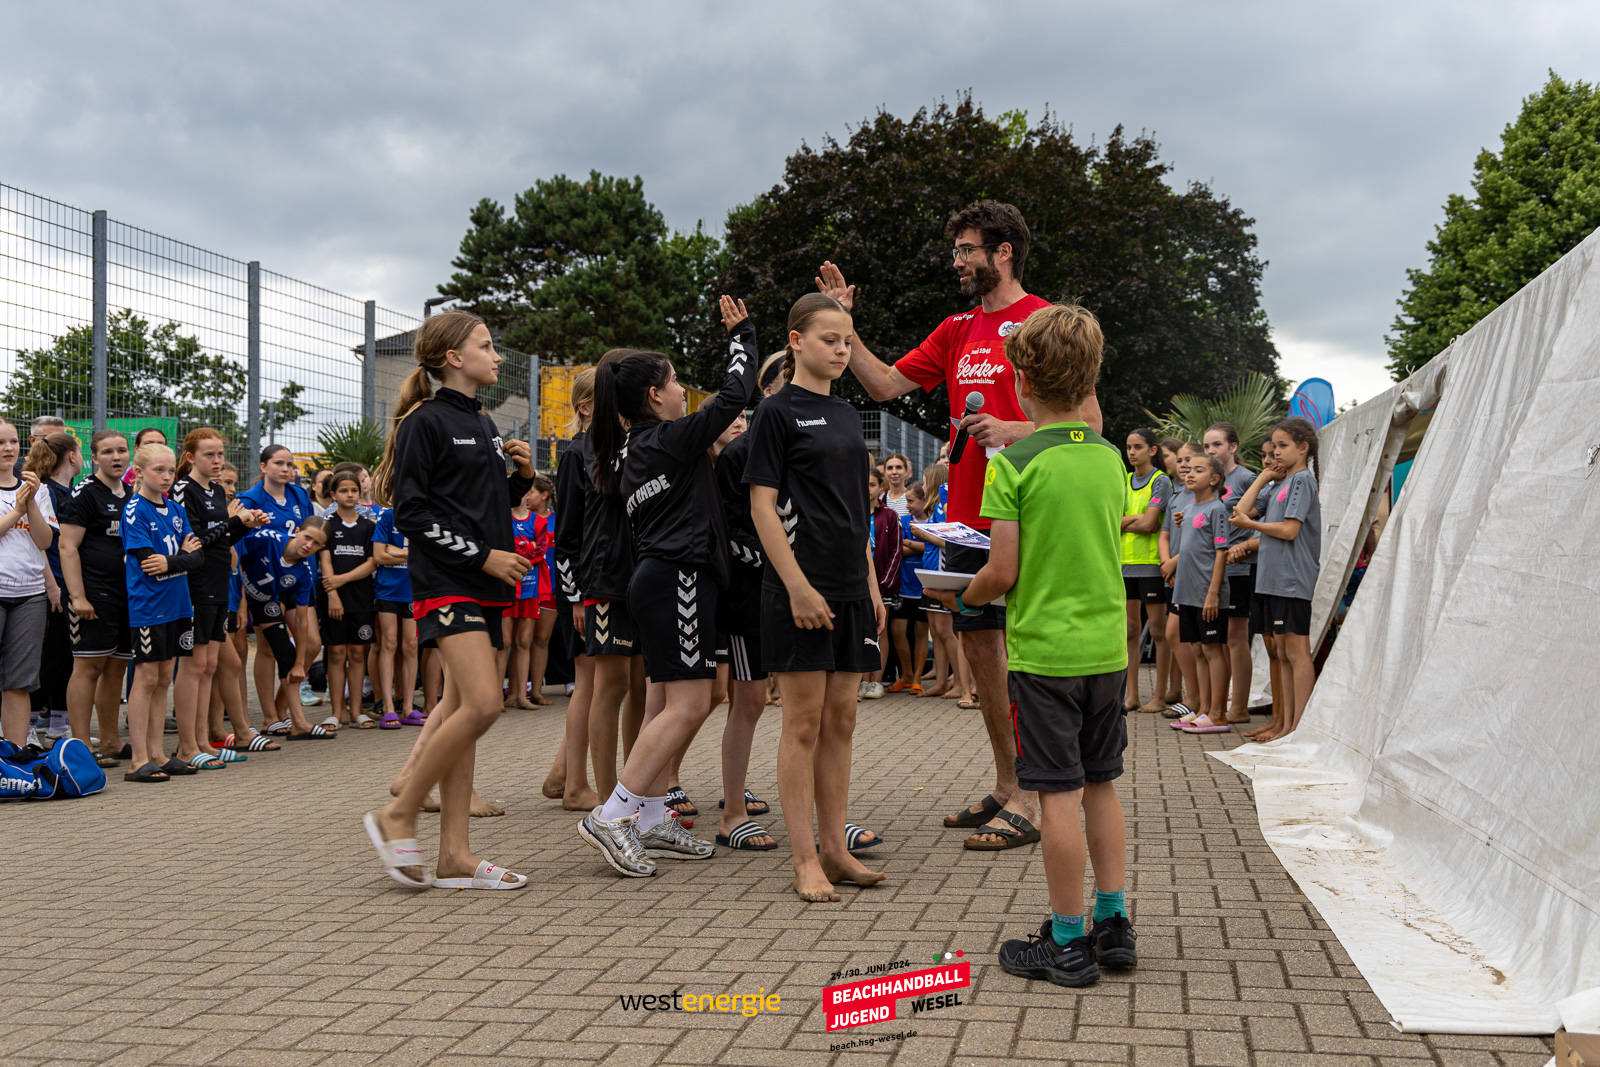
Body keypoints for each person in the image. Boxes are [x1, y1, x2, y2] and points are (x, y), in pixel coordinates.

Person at [818, 199, 1103, 850]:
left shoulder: (1047, 322)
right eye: (957, 251)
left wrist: (1015, 429)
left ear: (1004, 252)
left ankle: (1036, 794)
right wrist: (844, 325)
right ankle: (1009, 783)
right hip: (966, 523)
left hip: (1029, 514)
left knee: (1022, 655)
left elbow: (1090, 422)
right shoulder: (956, 329)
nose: (958, 261)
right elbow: (884, 385)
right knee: (981, 653)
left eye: (967, 249)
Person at [922, 303, 1134, 987]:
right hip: (1106, 649)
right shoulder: (1110, 460)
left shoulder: (1013, 462)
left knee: (1057, 794)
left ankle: (1068, 940)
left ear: (1020, 383)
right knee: (1101, 784)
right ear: (1090, 381)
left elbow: (1003, 569)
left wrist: (966, 597)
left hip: (1046, 653)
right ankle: (1114, 921)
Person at [576, 296, 757, 876]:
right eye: (676, 381)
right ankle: (613, 814)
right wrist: (742, 335)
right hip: (678, 578)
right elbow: (734, 395)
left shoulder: (631, 447)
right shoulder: (668, 439)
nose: (683, 391)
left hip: (660, 579)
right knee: (691, 702)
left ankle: (653, 816)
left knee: (661, 700)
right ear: (655, 396)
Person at [364, 310, 536, 891]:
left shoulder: (484, 422)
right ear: (454, 358)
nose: (497, 355)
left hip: (483, 585)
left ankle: (455, 855)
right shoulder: (425, 422)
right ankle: (399, 811)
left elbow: (475, 503)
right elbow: (411, 514)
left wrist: (519, 479)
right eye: (486, 346)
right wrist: (483, 557)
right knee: (484, 705)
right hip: (447, 582)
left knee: (465, 710)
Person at [745, 292, 887, 903]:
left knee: (842, 720)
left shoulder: (850, 414)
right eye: (830, 340)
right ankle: (805, 859)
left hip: (851, 587)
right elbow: (762, 507)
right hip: (799, 588)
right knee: (802, 723)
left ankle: (835, 847)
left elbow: (856, 507)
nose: (841, 350)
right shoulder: (775, 413)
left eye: (848, 341)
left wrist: (871, 584)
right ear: (796, 341)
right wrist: (797, 586)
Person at [711, 352, 787, 852]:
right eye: (789, 380)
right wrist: (776, 560)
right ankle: (732, 812)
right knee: (750, 700)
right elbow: (724, 529)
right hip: (750, 597)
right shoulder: (740, 452)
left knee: (812, 706)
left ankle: (828, 816)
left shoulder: (812, 441)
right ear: (767, 390)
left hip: (806, 593)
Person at [171, 429, 271, 769]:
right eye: (209, 455)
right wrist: (233, 520)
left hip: (218, 585)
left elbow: (223, 537)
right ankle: (187, 747)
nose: (217, 461)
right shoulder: (183, 489)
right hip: (195, 584)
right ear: (190, 458)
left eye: (220, 455)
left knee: (209, 666)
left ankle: (202, 741)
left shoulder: (215, 490)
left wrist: (245, 525)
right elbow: (194, 539)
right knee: (193, 665)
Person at [575, 351, 649, 804]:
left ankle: (632, 792)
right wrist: (573, 597)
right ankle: (605, 802)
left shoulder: (644, 438)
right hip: (606, 581)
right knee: (611, 685)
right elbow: (569, 535)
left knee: (642, 686)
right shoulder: (587, 448)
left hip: (645, 577)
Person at [1230, 417, 1321, 738]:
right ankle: (1283, 723)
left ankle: (1297, 729)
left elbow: (1289, 530)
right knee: (1280, 652)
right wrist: (1264, 476)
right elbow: (1241, 512)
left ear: (1303, 447)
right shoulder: (1279, 484)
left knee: (1295, 652)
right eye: (1274, 447)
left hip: (1291, 578)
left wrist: (1252, 527)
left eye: (1283, 446)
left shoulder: (1302, 481)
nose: (1276, 452)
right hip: (1271, 578)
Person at [120, 441, 203, 781]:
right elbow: (148, 564)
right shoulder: (135, 510)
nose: (167, 476)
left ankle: (157, 753)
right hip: (149, 605)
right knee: (147, 677)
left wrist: (173, 561)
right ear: (139, 473)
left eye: (171, 471)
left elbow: (198, 557)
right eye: (159, 470)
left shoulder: (176, 510)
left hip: (178, 603)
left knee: (165, 675)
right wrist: (180, 558)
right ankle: (138, 759)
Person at [59, 430, 133, 765]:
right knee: (88, 667)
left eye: (121, 451)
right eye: (107, 452)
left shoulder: (131, 494)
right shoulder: (85, 493)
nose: (116, 457)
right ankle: (80, 746)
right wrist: (78, 597)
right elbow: (67, 546)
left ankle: (110, 741)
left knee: (116, 668)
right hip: (94, 594)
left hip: (127, 594)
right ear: (94, 458)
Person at [548, 369, 600, 810]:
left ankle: (561, 772)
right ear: (584, 407)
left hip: (598, 585)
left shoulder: (606, 451)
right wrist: (576, 597)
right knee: (588, 684)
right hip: (582, 588)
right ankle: (576, 786)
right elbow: (565, 537)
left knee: (598, 684)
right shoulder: (575, 456)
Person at [237, 517, 331, 740]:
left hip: (264, 600)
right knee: (234, 659)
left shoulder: (304, 572)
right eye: (307, 537)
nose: (309, 545)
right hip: (235, 594)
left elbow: (301, 620)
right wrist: (241, 603)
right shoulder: (267, 540)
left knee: (285, 652)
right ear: (296, 531)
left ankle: (297, 723)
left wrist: (300, 663)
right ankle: (243, 724)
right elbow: (234, 552)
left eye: (316, 544)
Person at [0, 418, 58, 746]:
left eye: (13, 441)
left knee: (19, 682)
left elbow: (44, 540)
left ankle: (16, 752)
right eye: (0, 443)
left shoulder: (39, 489)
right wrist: (15, 511)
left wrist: (31, 501)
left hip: (30, 596)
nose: (8, 448)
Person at [25, 431, 80, 746]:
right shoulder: (47, 492)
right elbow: (43, 543)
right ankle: (28, 724)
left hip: (69, 584)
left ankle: (59, 723)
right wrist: (53, 585)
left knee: (67, 656)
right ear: (72, 456)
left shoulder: (69, 492)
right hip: (54, 585)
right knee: (52, 656)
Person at [1170, 454, 1232, 734]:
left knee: (1212, 649)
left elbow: (1221, 552)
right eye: (1188, 470)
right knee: (1197, 649)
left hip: (1207, 593)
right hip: (1187, 592)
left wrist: (1213, 593)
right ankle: (1204, 709)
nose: (1189, 473)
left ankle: (1218, 714)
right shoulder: (1189, 509)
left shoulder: (1217, 509)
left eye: (1199, 470)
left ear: (1214, 479)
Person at [1205, 422, 1257, 725]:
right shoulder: (1209, 481)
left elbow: (1258, 518)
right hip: (1215, 570)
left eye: (1217, 445)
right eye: (1206, 446)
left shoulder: (1246, 478)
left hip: (1239, 569)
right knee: (1221, 639)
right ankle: (1220, 704)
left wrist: (1246, 546)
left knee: (1236, 638)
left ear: (1233, 447)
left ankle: (1239, 707)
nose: (1210, 450)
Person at [319, 470, 379, 727]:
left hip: (361, 598)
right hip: (334, 600)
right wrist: (333, 594)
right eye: (343, 491)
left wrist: (342, 580)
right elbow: (325, 562)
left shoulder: (369, 526)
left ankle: (356, 710)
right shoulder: (326, 525)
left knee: (357, 653)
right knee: (336, 653)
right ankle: (336, 711)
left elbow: (372, 563)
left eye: (354, 490)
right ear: (333, 495)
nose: (350, 495)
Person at [1119, 429, 1172, 713]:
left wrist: (1127, 521)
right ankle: (1132, 696)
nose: (1131, 452)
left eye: (1137, 447)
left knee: (1159, 632)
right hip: (1124, 565)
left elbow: (1150, 524)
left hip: (1151, 566)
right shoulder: (1124, 480)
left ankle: (1160, 696)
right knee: (1130, 631)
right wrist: (1135, 518)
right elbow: (1110, 521)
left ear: (1152, 450)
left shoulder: (1160, 480)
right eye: (1129, 447)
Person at [1158, 442, 1202, 720]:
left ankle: (1197, 698)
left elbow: (1200, 540)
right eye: (1181, 460)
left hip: (1193, 575)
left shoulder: (1205, 498)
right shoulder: (1176, 497)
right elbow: (1164, 534)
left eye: (1191, 460)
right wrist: (1167, 564)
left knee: (1180, 635)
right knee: (1175, 634)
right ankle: (1195, 697)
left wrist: (1175, 563)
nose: (1184, 465)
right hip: (1173, 577)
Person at [370, 497, 419, 729]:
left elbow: (429, 555)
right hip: (387, 589)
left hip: (413, 589)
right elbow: (379, 556)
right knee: (388, 643)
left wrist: (402, 553)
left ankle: (408, 706)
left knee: (411, 646)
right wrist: (413, 555)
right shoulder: (387, 515)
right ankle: (388, 707)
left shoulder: (422, 515)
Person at [507, 477, 555, 710]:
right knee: (508, 641)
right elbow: (511, 549)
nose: (527, 496)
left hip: (540, 587)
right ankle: (509, 693)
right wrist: (528, 547)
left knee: (534, 639)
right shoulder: (508, 519)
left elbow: (541, 550)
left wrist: (523, 548)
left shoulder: (547, 520)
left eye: (530, 491)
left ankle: (531, 692)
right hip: (512, 586)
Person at [886, 480, 932, 695]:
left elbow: (934, 547)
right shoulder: (903, 521)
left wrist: (911, 543)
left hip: (924, 586)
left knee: (921, 631)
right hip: (903, 586)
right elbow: (896, 549)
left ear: (924, 500)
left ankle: (917, 678)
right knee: (897, 630)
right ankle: (905, 674)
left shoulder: (934, 521)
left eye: (911, 501)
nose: (907, 506)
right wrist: (924, 545)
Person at [859, 467, 899, 700]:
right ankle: (863, 682)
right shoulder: (853, 510)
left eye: (872, 484)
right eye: (864, 483)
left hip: (883, 586)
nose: (868, 489)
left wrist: (882, 584)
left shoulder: (889, 515)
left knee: (880, 631)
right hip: (859, 584)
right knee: (861, 631)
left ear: (880, 487)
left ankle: (877, 681)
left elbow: (895, 552)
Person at [881, 453, 912, 520]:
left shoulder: (914, 497)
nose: (894, 472)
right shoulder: (880, 499)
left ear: (906, 471)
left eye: (898, 467)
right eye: (890, 468)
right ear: (885, 472)